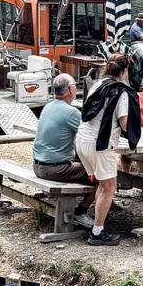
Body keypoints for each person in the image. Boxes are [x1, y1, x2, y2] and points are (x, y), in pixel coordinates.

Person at [75, 54, 142, 246]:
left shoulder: (97, 85)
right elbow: (124, 122)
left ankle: (86, 216)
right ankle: (97, 232)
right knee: (109, 187)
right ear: (124, 72)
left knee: (102, 183)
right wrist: (136, 131)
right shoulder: (121, 92)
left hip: (82, 140)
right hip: (100, 144)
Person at [32, 74, 97, 219]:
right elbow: (91, 136)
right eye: (75, 84)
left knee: (86, 166)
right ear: (70, 89)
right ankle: (81, 212)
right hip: (54, 169)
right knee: (102, 175)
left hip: (38, 166)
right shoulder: (71, 112)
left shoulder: (48, 107)